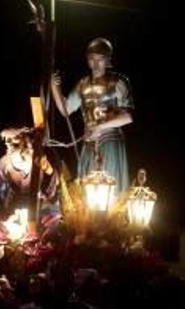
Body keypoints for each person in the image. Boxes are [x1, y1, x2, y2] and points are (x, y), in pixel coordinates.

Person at [51, 38, 133, 193]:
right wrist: (55, 87)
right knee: (88, 191)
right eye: (91, 59)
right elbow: (65, 110)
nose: (95, 64)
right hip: (89, 143)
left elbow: (127, 117)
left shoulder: (118, 82)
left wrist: (100, 126)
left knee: (109, 190)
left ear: (108, 60)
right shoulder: (83, 84)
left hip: (109, 141)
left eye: (100, 59)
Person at [0, 128, 59, 231]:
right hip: (15, 214)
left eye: (15, 142)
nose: (9, 144)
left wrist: (49, 171)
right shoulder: (5, 163)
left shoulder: (42, 160)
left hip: (43, 213)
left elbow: (54, 192)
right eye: (8, 141)